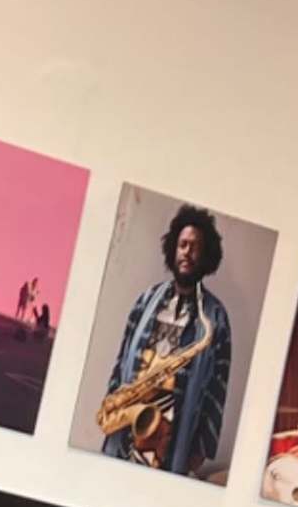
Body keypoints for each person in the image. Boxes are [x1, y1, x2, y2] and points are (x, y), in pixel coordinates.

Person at [94, 203, 237, 480]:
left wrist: (200, 450)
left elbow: (219, 388)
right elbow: (122, 360)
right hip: (127, 429)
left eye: (196, 247)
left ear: (206, 256)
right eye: (183, 244)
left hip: (172, 441)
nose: (187, 252)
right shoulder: (146, 300)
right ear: (173, 248)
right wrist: (113, 411)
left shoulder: (216, 317)